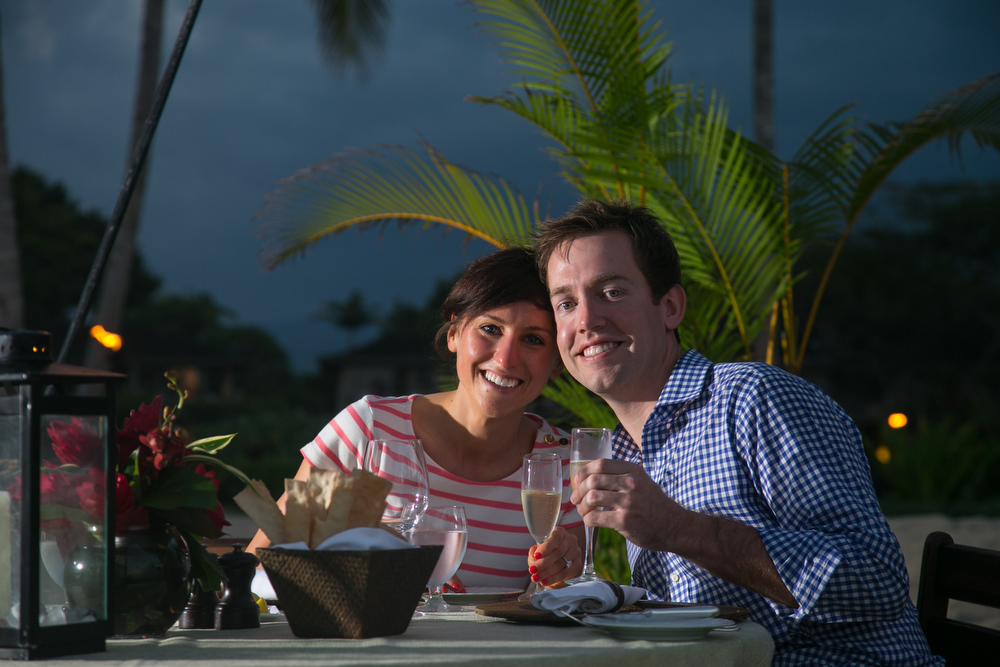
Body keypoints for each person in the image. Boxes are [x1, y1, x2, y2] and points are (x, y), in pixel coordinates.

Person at [534, 199, 940, 665]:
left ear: (670, 306)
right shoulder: (626, 445)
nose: (586, 320)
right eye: (566, 302)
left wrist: (678, 528)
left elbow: (875, 582)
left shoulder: (754, 398)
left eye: (611, 292)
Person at [248, 247, 583, 591]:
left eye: (533, 339)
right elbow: (261, 565)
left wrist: (565, 567)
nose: (506, 358)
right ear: (454, 333)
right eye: (490, 328)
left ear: (557, 362)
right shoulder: (369, 430)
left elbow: (570, 594)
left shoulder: (564, 461)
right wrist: (370, 570)